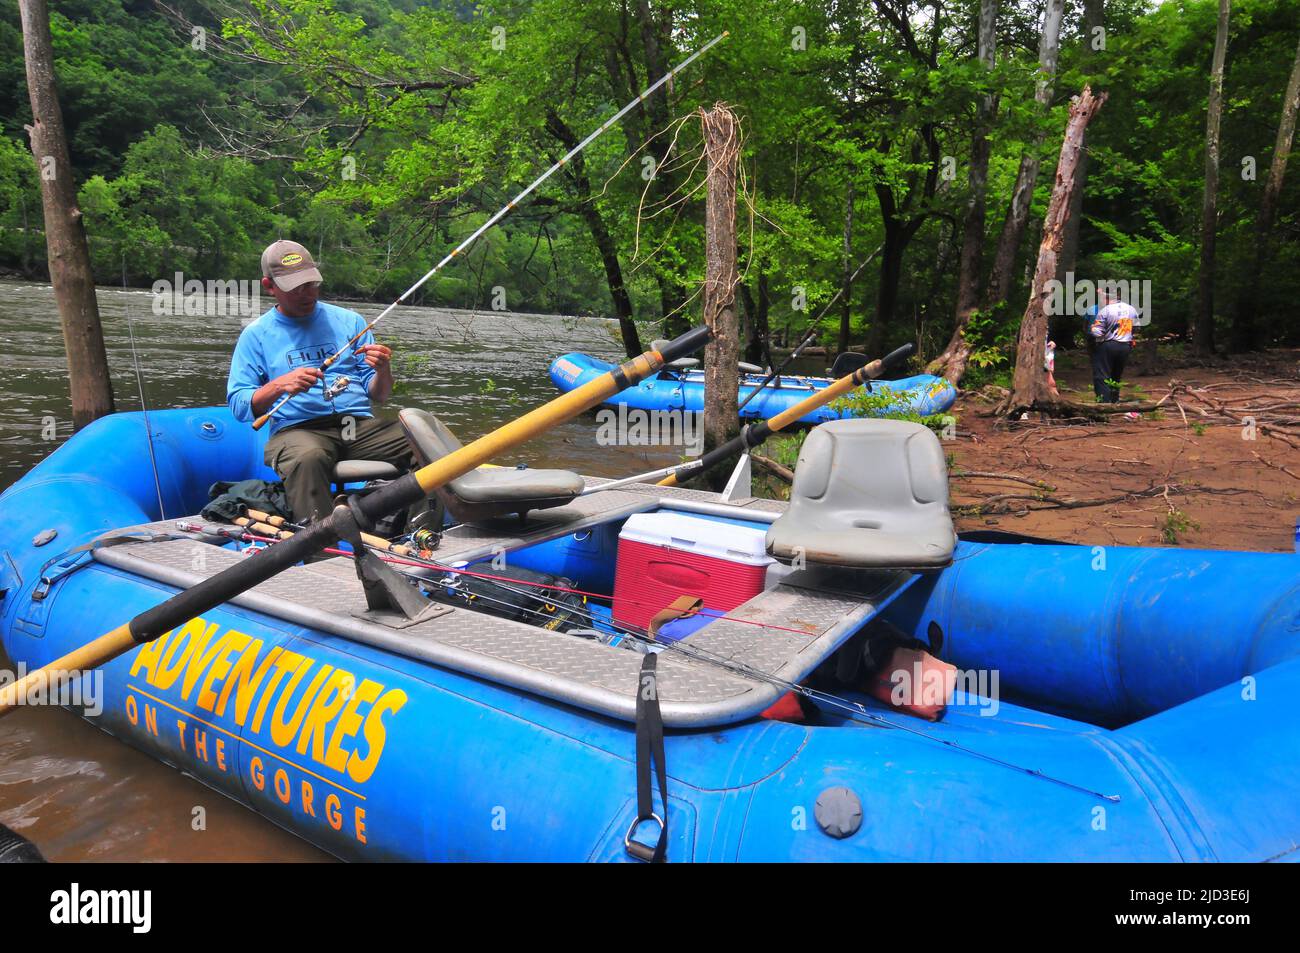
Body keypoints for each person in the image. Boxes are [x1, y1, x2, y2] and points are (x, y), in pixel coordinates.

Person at [227, 240, 415, 524]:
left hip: (357, 427)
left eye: (311, 284)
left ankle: (420, 536)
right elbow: (240, 405)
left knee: (424, 441)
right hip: (298, 431)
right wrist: (279, 385)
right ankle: (319, 554)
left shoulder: (350, 322)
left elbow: (379, 395)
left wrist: (383, 370)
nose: (307, 294)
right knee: (309, 456)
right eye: (296, 287)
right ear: (269, 286)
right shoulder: (256, 335)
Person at [1088, 289, 1138, 403]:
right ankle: (1115, 400)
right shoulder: (1131, 309)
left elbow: (1097, 331)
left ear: (1107, 298)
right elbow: (1136, 327)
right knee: (1116, 374)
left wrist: (1093, 332)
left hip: (1107, 345)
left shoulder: (1105, 310)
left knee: (1101, 375)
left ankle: (1104, 404)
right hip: (1125, 346)